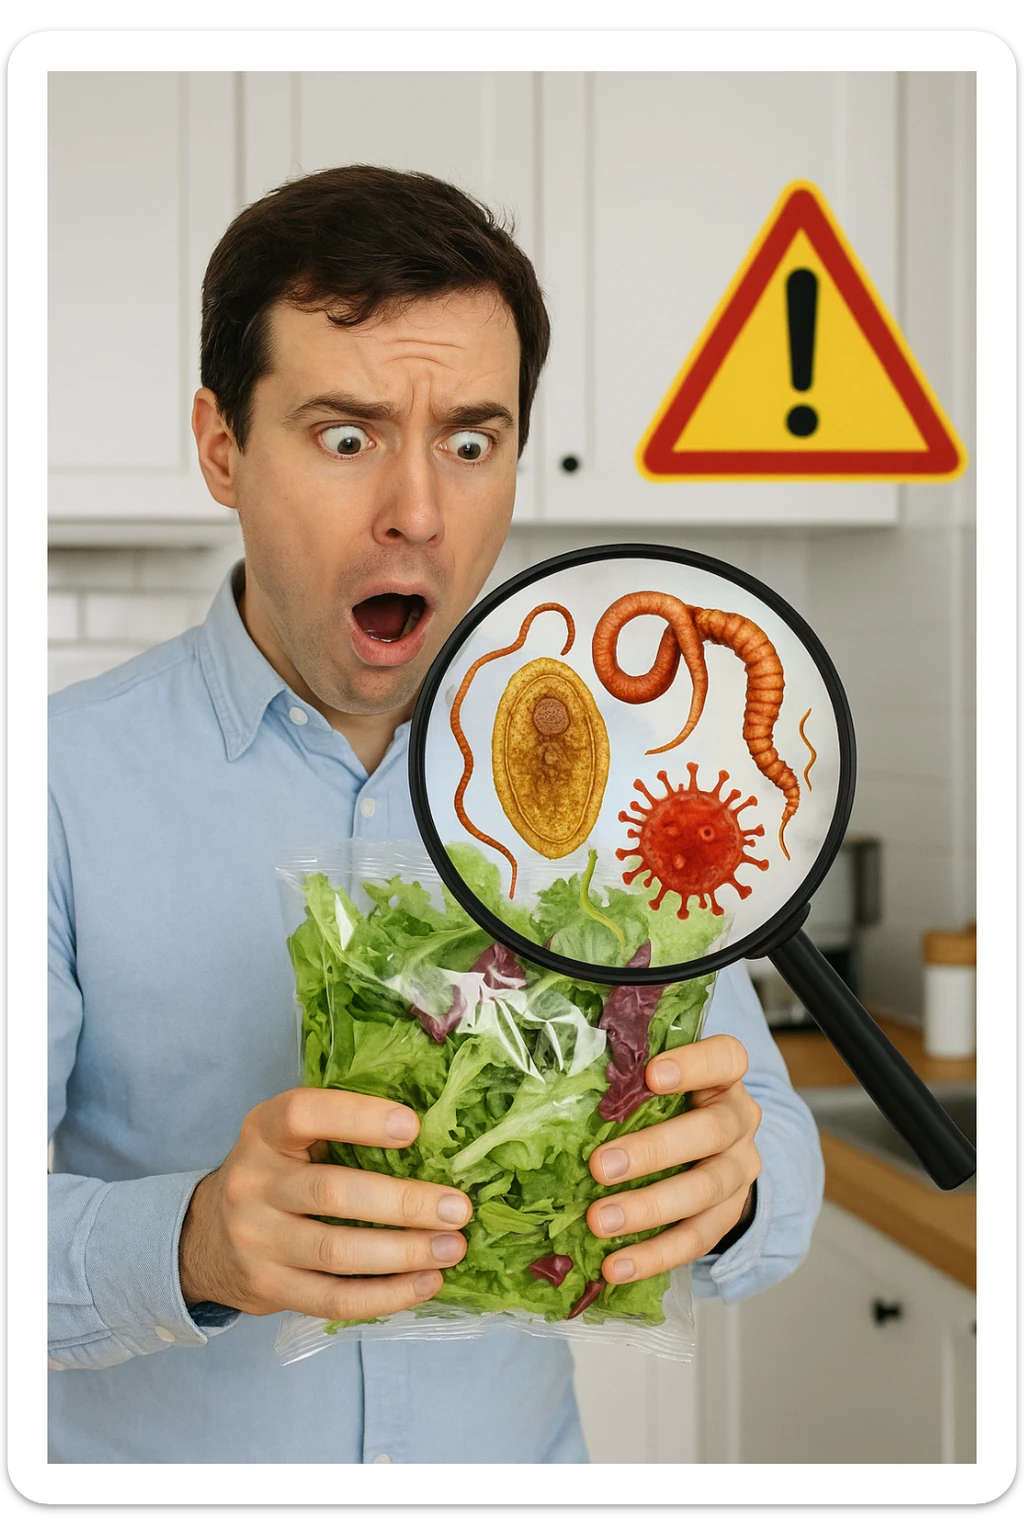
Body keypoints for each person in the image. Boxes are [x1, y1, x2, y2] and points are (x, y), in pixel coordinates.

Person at [48, 165, 825, 1464]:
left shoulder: (616, 783)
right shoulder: (57, 786)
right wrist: (189, 1243)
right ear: (221, 447)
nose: (418, 510)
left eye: (472, 441)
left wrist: (730, 1186)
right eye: (345, 437)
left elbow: (776, 1155)